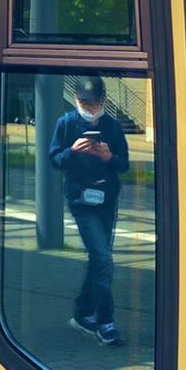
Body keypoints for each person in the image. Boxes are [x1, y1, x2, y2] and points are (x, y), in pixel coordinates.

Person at [47, 75, 130, 346]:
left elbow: (124, 165)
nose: (90, 108)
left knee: (99, 260)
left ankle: (83, 313)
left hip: (107, 199)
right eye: (85, 103)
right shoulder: (67, 123)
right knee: (104, 259)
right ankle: (104, 322)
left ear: (103, 103)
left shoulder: (113, 127)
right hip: (81, 201)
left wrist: (109, 157)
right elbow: (56, 160)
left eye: (94, 104)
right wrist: (72, 151)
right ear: (76, 100)